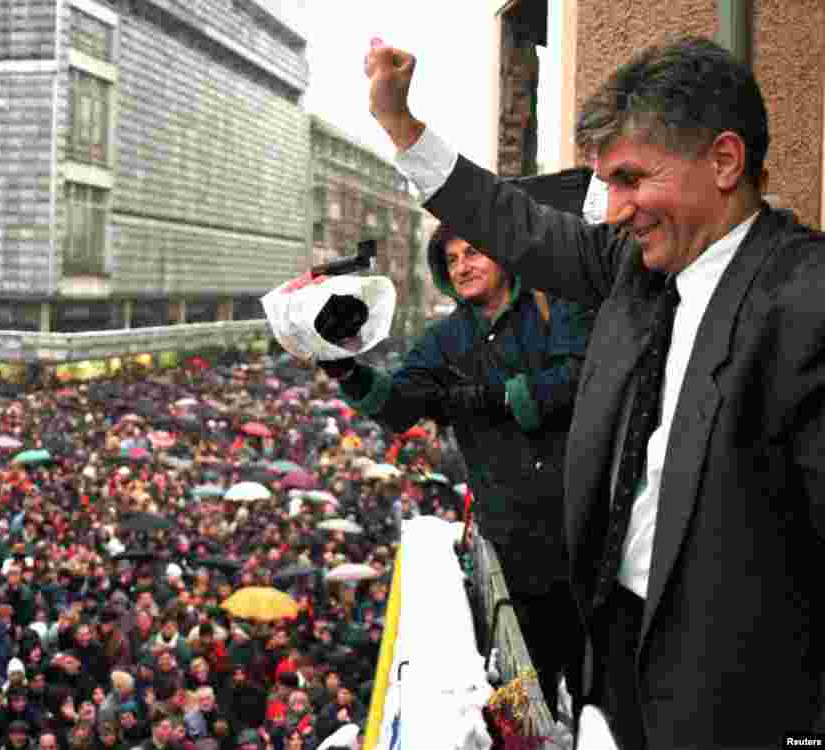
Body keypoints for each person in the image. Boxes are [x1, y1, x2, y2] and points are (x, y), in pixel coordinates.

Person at [364, 33, 825, 749]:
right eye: (607, 183)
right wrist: (402, 127)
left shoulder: (805, 303)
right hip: (607, 663)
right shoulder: (629, 267)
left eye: (632, 179)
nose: (614, 209)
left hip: (734, 701)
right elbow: (512, 223)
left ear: (725, 161)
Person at [318, 210, 593, 713]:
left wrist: (498, 398)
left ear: (504, 256)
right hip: (510, 538)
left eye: (473, 252)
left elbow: (580, 379)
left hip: (581, 529)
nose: (463, 265)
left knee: (597, 683)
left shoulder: (554, 307)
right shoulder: (446, 340)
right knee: (536, 692)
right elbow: (399, 405)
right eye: (452, 258)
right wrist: (346, 371)